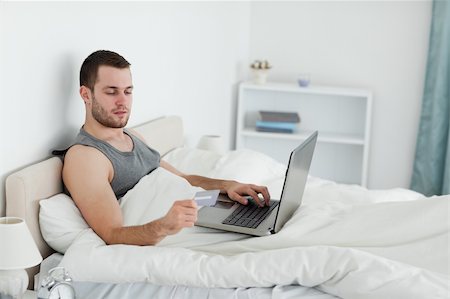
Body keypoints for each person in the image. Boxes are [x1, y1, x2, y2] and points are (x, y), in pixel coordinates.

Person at [62, 50, 270, 246]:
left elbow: (184, 180)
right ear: (86, 95)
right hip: (175, 231)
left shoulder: (133, 136)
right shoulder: (85, 157)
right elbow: (112, 233)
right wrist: (164, 226)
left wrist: (227, 186)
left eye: (128, 91)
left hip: (198, 210)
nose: (123, 101)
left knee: (263, 216)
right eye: (111, 92)